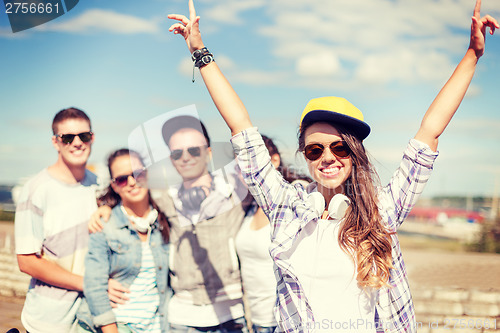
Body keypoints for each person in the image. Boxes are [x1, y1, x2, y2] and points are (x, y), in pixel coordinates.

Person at [167, 1, 498, 332]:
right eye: (314, 149)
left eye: (339, 147)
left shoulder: (382, 209)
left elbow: (430, 132)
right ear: (305, 155)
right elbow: (240, 126)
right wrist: (200, 52)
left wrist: (472, 55)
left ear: (355, 153)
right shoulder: (286, 205)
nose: (327, 157)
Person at [90, 115, 250, 333]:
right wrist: (105, 206)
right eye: (177, 153)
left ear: (208, 152)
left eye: (194, 150)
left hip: (232, 315)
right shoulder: (164, 200)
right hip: (181, 320)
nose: (186, 158)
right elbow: (131, 193)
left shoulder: (237, 194)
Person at [14, 107, 98, 332]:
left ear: (93, 137)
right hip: (50, 321)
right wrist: (88, 284)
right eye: (68, 137)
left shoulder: (101, 186)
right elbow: (27, 261)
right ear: (55, 142)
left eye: (84, 135)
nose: (77, 142)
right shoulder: (36, 190)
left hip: (93, 316)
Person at [78, 149, 170, 333]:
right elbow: (94, 285)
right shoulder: (104, 225)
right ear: (114, 185)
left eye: (138, 174)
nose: (131, 182)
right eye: (121, 179)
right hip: (116, 326)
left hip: (156, 326)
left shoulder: (165, 219)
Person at [235, 135, 309, 333]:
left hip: (287, 321)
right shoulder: (248, 208)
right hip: (256, 320)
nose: (245, 172)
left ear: (274, 160)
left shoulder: (295, 195)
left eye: (248, 164)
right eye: (238, 168)